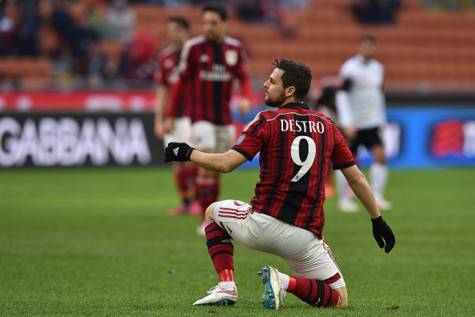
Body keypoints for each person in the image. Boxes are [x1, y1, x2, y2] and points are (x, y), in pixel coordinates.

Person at [164, 59, 396, 310]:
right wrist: (377, 220)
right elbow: (357, 178)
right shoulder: (328, 126)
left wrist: (187, 152)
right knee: (339, 298)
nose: (265, 84)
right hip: (305, 237)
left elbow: (225, 164)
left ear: (290, 91)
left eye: (272, 81)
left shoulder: (266, 120)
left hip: (262, 226)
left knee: (211, 213)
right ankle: (284, 281)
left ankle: (226, 286)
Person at [164, 4, 252, 233]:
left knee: (217, 167)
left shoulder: (234, 48)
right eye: (205, 23)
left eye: (213, 23)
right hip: (200, 117)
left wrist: (245, 98)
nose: (208, 27)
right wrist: (171, 115)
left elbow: (243, 77)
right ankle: (206, 219)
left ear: (224, 23)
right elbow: (179, 83)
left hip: (224, 118)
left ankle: (211, 214)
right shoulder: (193, 48)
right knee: (208, 160)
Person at [335, 35, 392, 212]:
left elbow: (378, 94)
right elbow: (341, 95)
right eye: (366, 46)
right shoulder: (350, 69)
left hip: (372, 121)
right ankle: (344, 200)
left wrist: (381, 119)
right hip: (354, 123)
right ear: (360, 47)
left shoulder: (378, 68)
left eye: (372, 47)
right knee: (347, 163)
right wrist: (347, 121)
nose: (369, 50)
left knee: (380, 156)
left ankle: (377, 197)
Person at [154, 16, 199, 216]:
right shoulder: (166, 57)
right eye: (169, 30)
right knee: (176, 159)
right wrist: (159, 119)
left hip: (193, 115)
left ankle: (198, 199)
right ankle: (185, 202)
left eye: (174, 30)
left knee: (193, 158)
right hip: (172, 116)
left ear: (184, 30)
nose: (171, 34)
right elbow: (163, 89)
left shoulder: (197, 53)